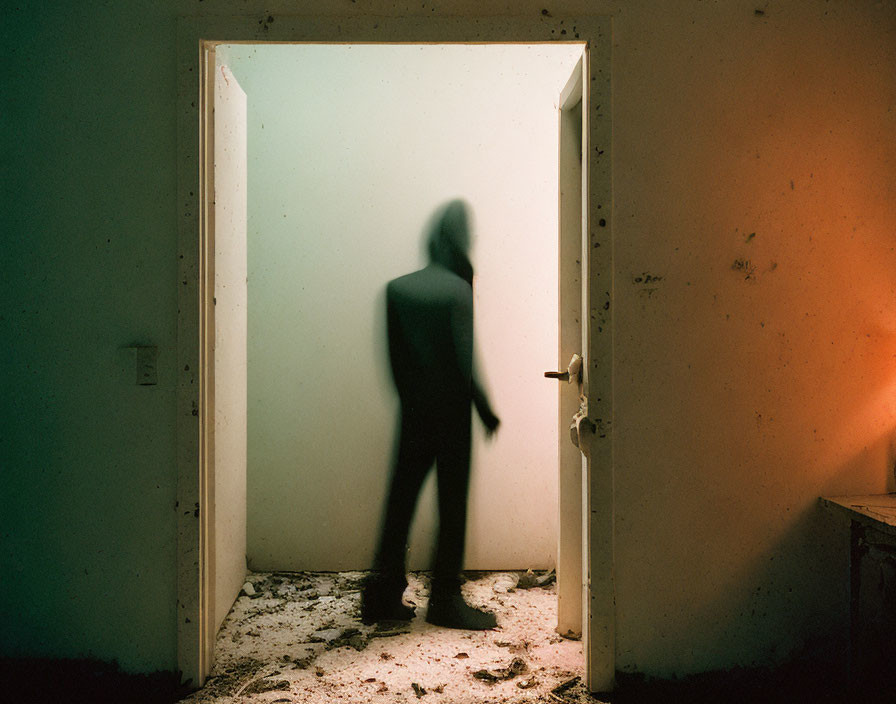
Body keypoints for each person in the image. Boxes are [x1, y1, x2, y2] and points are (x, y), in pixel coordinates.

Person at [362, 199, 500, 630]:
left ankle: (382, 595)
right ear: (458, 239)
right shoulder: (458, 288)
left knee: (400, 502)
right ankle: (445, 599)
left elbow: (395, 360)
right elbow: (464, 357)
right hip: (453, 415)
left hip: (415, 412)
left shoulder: (397, 289)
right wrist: (485, 408)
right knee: (451, 506)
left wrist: (412, 401)